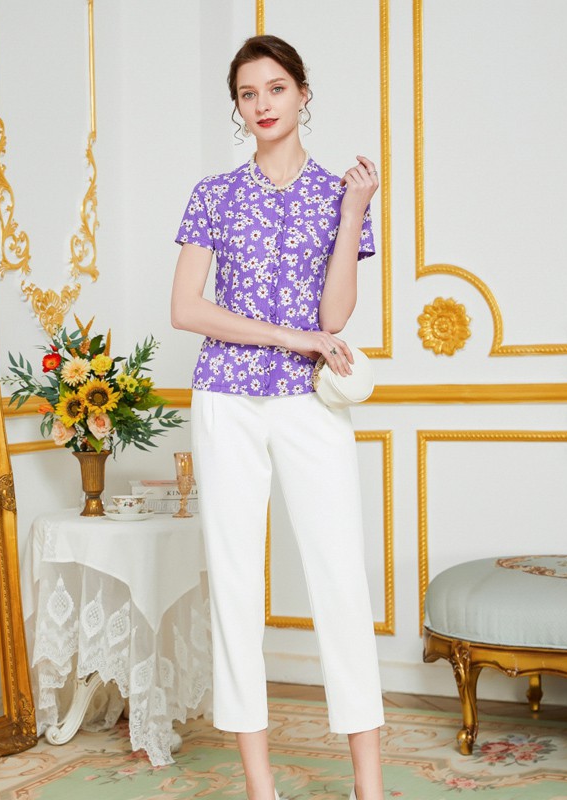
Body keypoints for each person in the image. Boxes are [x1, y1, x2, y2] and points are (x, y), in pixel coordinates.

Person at [171, 34, 384, 800]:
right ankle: (261, 788)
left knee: (341, 580)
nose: (262, 104)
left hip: (307, 404)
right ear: (238, 106)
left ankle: (368, 787)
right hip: (225, 400)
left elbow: (334, 316)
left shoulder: (338, 193)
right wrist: (288, 338)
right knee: (235, 587)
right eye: (248, 93)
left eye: (276, 88)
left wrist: (354, 209)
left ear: (302, 93)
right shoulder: (213, 194)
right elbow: (186, 308)